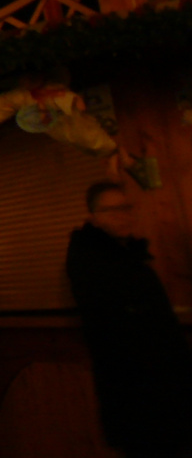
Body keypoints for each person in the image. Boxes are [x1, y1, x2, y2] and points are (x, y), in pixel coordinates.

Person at [67, 181, 192, 458]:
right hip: (138, 391)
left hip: (161, 386)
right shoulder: (92, 261)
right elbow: (115, 327)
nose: (121, 215)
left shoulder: (129, 256)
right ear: (93, 217)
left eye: (125, 208)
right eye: (111, 210)